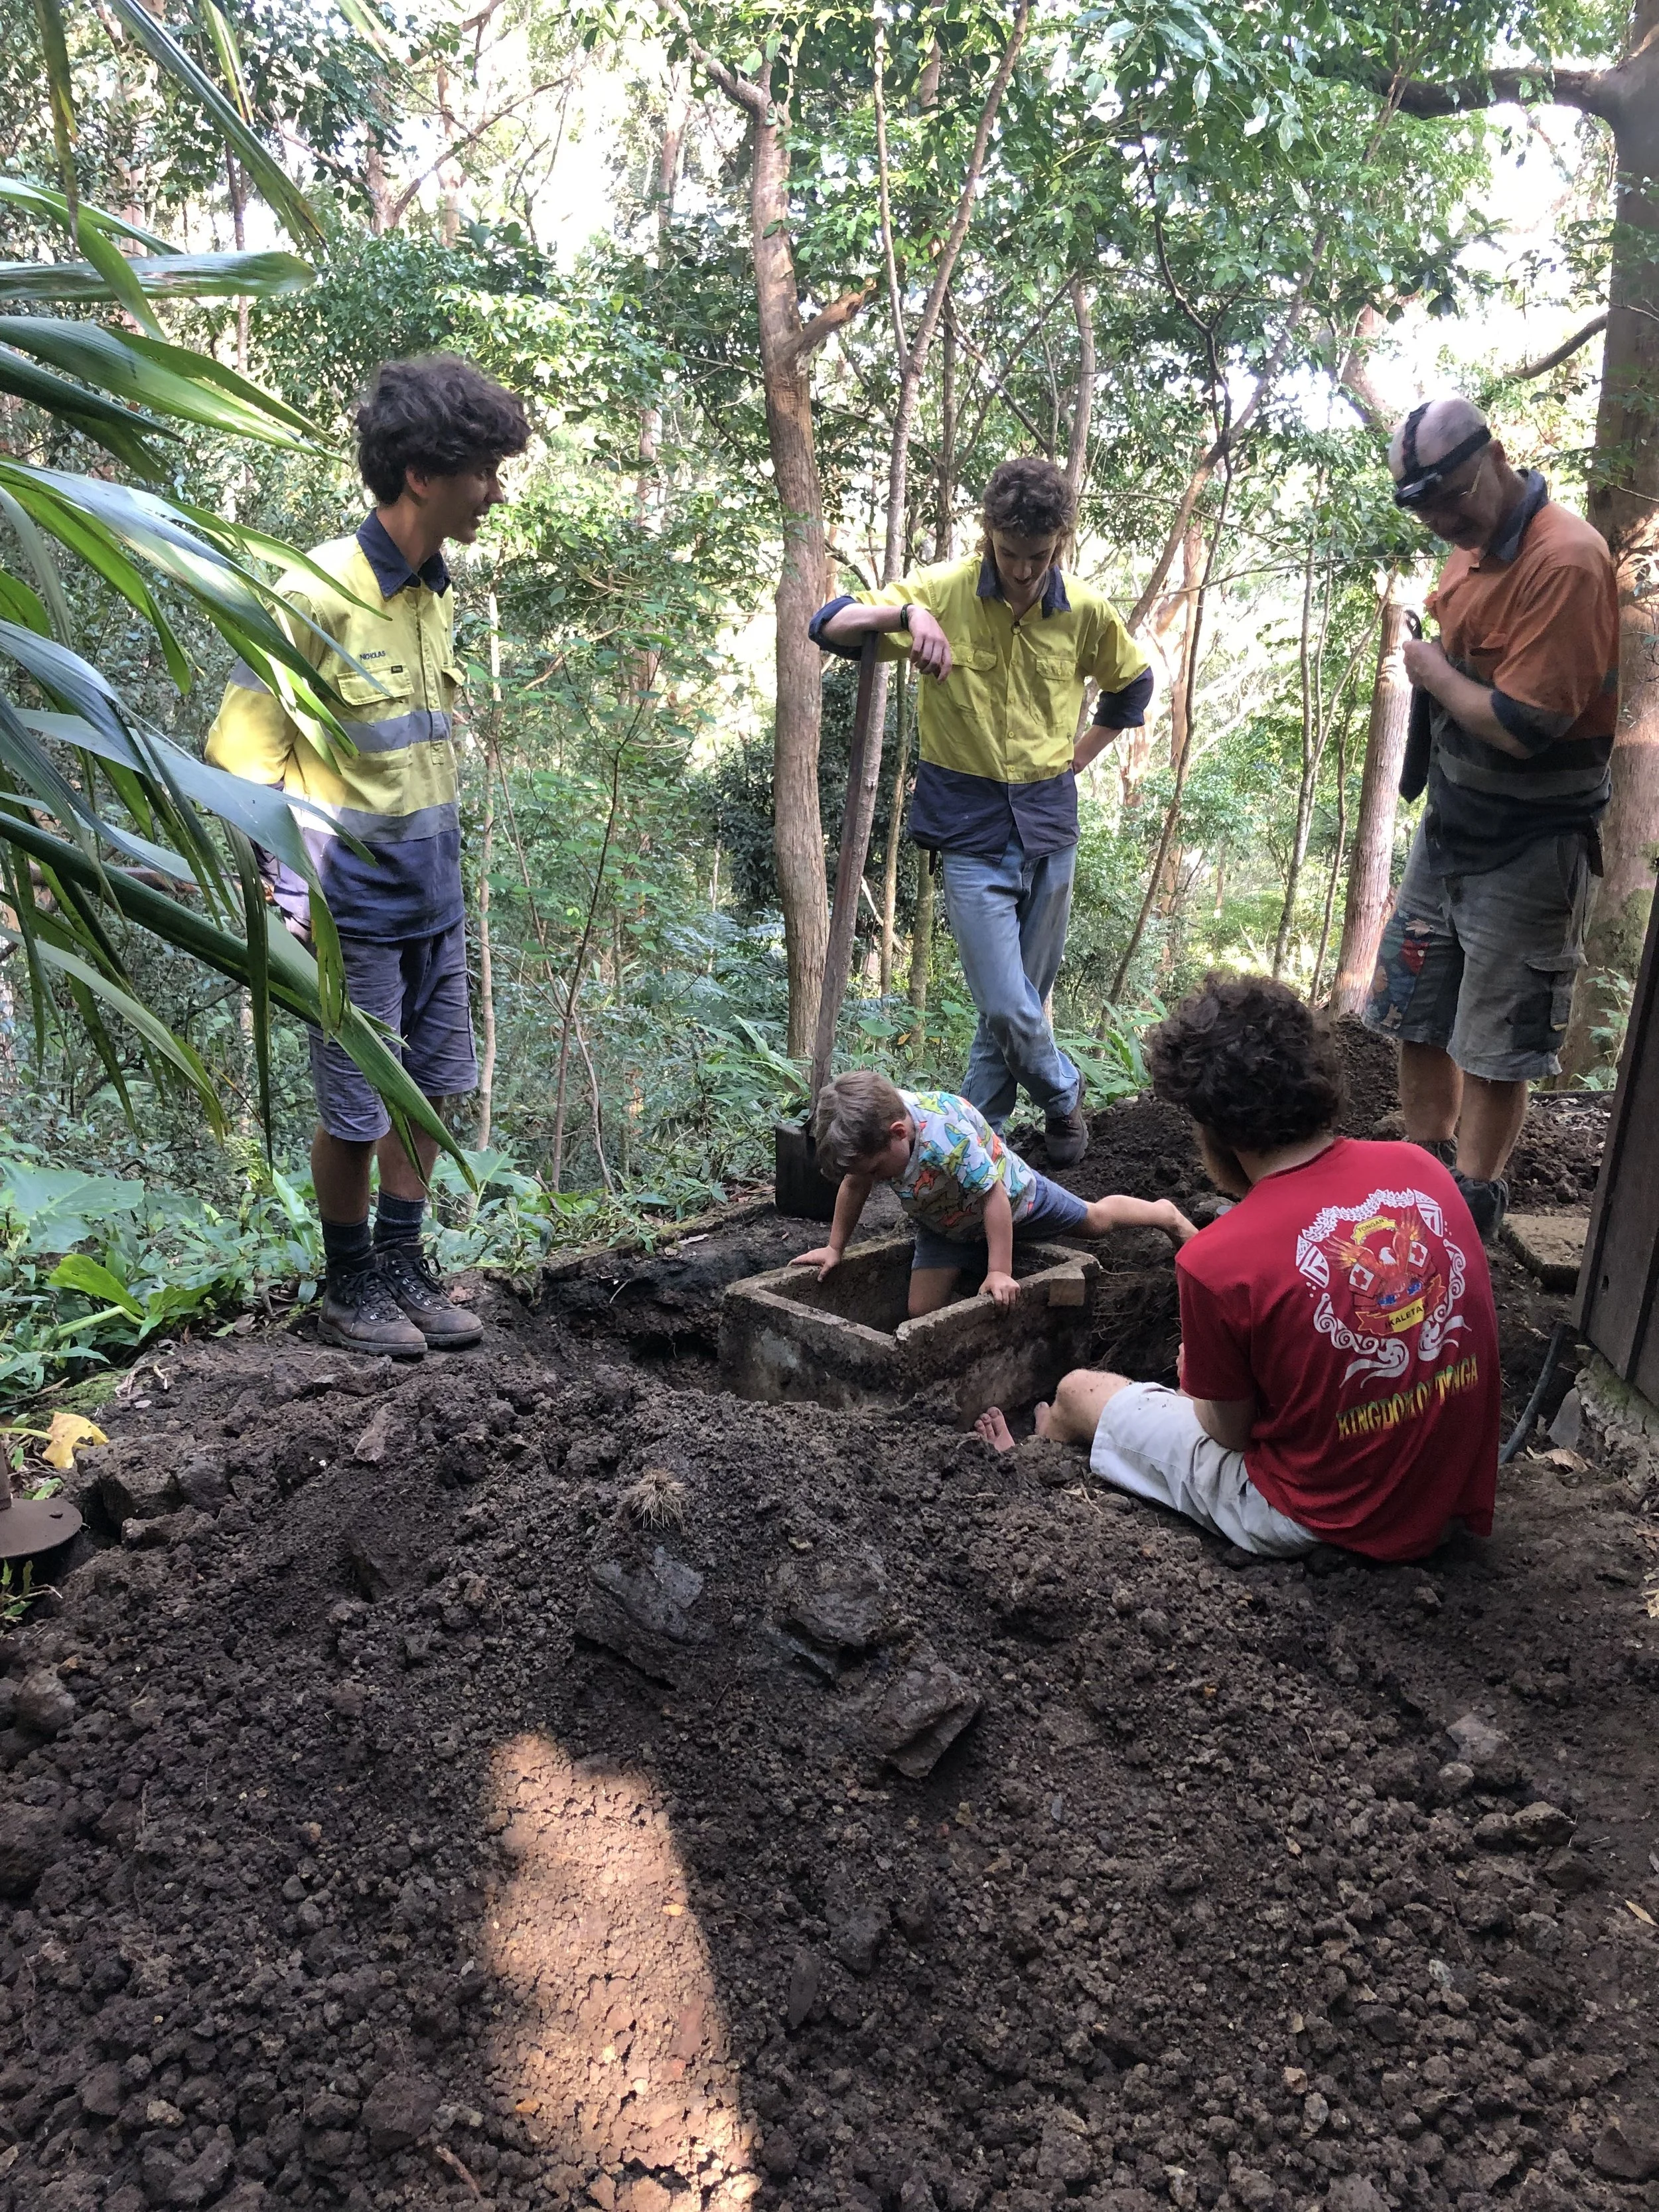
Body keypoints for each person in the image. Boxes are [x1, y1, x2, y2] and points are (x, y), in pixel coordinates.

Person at [207, 354, 530, 1357]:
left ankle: (401, 1261)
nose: (495, 490)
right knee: (355, 1109)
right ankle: (349, 1281)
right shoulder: (315, 590)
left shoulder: (433, 593)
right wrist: (287, 899)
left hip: (434, 897)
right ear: (423, 474)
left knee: (429, 1089)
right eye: (482, 468)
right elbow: (242, 762)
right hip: (351, 914)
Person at [975, 976, 1500, 1562]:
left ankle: (1030, 1467)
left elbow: (1228, 1433)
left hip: (1320, 1513)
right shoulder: (1423, 1171)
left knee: (1078, 1391)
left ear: (1214, 1129)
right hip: (1442, 1488)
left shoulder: (1214, 1259)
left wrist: (1196, 1385)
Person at [809, 458, 1152, 1166]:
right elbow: (830, 624)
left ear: (1060, 542)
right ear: (986, 534)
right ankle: (1063, 1093)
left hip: (1050, 827)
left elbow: (1132, 688)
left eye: (1039, 556)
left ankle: (978, 1144)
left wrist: (1082, 756)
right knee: (1005, 1004)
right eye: (1010, 553)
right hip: (969, 830)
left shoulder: (1085, 611)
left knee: (1018, 1001)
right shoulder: (942, 592)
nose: (1024, 572)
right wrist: (906, 615)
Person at [1362, 396, 1620, 1240]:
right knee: (1415, 1007)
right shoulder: (1466, 551)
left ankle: (1468, 1204)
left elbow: (1525, 726)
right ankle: (1421, 1172)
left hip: (1531, 843)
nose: (1441, 520)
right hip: (1452, 830)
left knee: (1500, 1037)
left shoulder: (1567, 561)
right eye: (1421, 507)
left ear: (1496, 457)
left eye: (1449, 496)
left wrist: (1430, 671)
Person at [793, 1067, 1193, 1318]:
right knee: (920, 1311)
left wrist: (999, 1270)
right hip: (944, 1224)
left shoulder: (946, 1138)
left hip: (1018, 1202)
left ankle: (1165, 1214)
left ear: (899, 1133)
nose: (876, 1179)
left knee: (1095, 1221)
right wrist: (836, 1248)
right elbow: (855, 1182)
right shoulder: (876, 1141)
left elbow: (993, 1196)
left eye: (878, 1170)